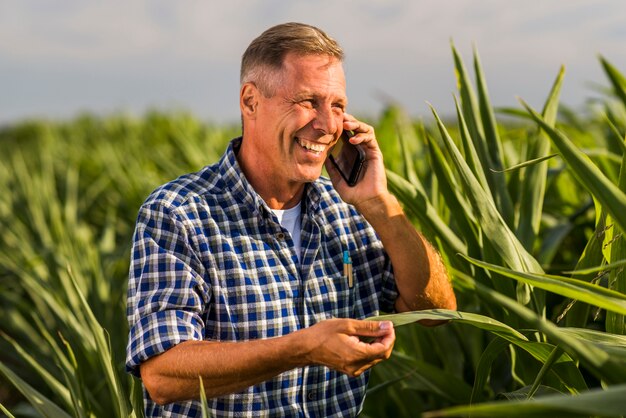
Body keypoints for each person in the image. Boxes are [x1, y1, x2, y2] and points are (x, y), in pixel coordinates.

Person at [126, 22, 456, 417]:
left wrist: (380, 204)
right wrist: (303, 348)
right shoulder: (179, 213)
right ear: (250, 101)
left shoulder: (349, 211)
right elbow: (162, 374)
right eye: (307, 101)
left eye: (337, 106)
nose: (328, 125)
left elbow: (437, 311)